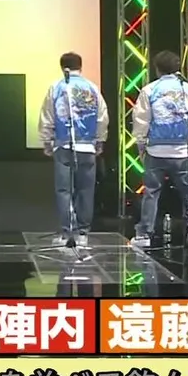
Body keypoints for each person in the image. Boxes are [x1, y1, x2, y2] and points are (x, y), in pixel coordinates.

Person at [130, 50, 188, 249]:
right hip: (182, 151)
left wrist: (141, 144)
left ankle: (145, 234)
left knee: (151, 193)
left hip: (156, 151)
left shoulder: (149, 90)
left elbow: (141, 120)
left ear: (157, 69)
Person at [38, 52, 109, 247]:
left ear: (63, 68)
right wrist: (100, 140)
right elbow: (102, 117)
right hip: (87, 147)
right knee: (85, 189)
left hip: (64, 145)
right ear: (81, 66)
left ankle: (67, 232)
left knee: (64, 190)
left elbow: (48, 115)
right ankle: (83, 233)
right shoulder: (92, 88)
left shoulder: (57, 87)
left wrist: (46, 140)